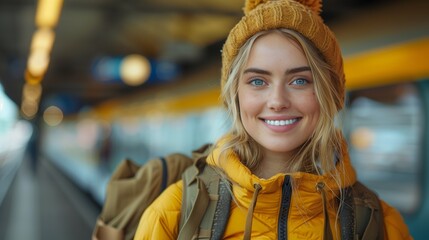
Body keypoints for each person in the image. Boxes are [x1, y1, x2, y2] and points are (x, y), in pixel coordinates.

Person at [134, 0, 412, 239]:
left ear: (330, 95)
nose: (278, 101)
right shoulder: (172, 214)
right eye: (257, 81)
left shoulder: (382, 226)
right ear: (235, 95)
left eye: (300, 80)